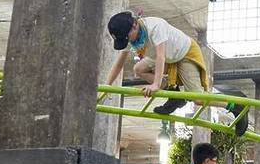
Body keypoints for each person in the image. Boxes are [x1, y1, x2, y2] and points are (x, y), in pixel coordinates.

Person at [105, 11, 247, 133]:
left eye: (127, 37)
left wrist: (156, 84)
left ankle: (236, 107)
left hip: (185, 53)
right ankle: (176, 97)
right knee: (138, 69)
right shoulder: (129, 37)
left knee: (198, 99)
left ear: (135, 25)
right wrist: (107, 87)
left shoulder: (155, 27)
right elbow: (119, 64)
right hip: (168, 57)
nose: (128, 41)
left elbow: (161, 56)